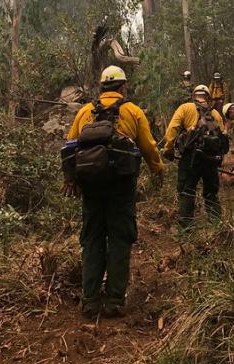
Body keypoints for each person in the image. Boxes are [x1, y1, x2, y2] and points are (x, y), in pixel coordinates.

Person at [62, 65, 164, 318]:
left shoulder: (85, 111)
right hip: (121, 186)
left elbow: (70, 146)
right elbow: (149, 147)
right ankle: (114, 300)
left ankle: (90, 300)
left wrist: (71, 179)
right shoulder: (132, 111)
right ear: (122, 87)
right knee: (120, 238)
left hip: (90, 186)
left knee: (92, 239)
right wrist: (158, 170)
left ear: (101, 87)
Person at [162, 85, 229, 228]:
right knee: (211, 192)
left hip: (191, 158)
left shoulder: (185, 108)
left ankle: (186, 228)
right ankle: (217, 226)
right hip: (211, 160)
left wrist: (168, 149)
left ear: (194, 96)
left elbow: (172, 129)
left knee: (187, 190)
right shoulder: (216, 114)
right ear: (208, 97)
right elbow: (223, 136)